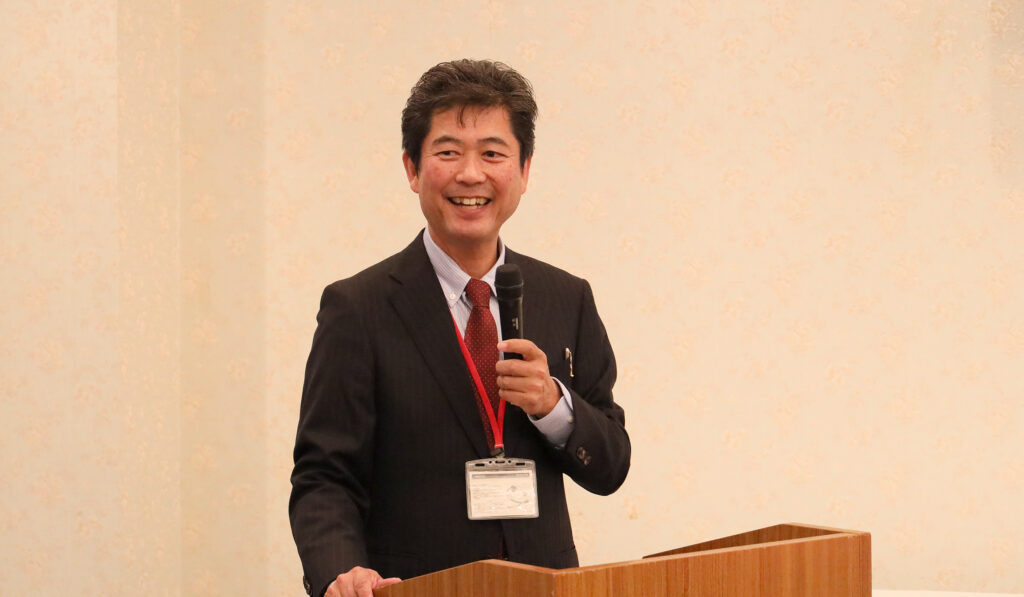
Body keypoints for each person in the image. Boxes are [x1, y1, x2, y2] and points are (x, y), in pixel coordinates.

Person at [289, 59, 630, 597]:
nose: (471, 174)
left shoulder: (567, 297)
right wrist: (340, 569)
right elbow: (324, 476)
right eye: (448, 152)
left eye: (493, 153)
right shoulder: (358, 307)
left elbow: (610, 465)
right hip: (414, 587)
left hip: (545, 586)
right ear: (412, 169)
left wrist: (552, 405)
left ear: (524, 171)